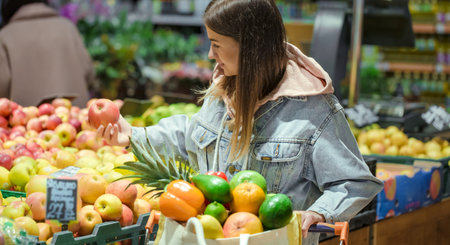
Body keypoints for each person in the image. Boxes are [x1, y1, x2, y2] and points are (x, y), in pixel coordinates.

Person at [97, 0, 383, 244]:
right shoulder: (224, 89)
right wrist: (133, 134)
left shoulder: (313, 111)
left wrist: (320, 213)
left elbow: (354, 181)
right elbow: (192, 136)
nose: (211, 54)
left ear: (250, 48)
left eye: (217, 44)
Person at [0, 0, 94, 107]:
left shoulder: (5, 36)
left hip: (28, 120)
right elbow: (90, 75)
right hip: (76, 118)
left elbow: (2, 89)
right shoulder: (68, 28)